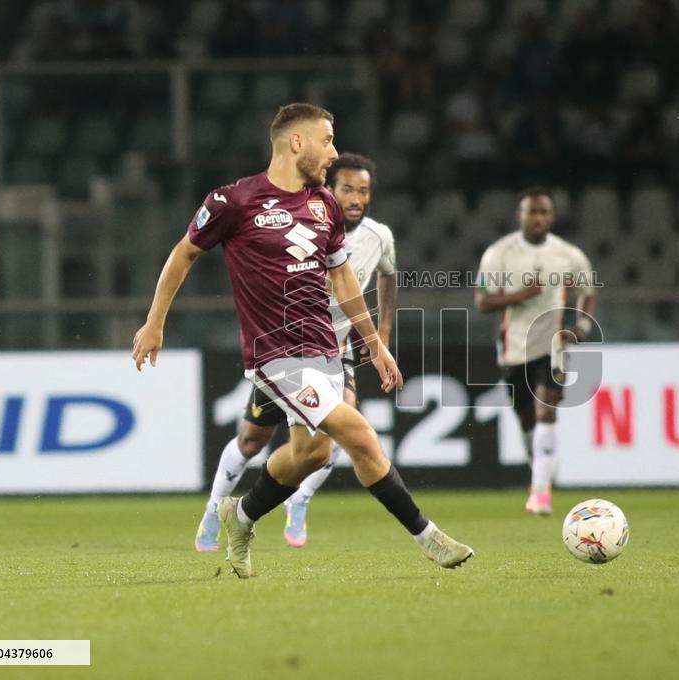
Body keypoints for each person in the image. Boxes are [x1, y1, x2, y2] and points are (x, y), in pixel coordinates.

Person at [133, 103, 472, 577]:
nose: (333, 153)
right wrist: (155, 322)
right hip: (275, 356)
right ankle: (428, 536)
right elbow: (184, 253)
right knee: (359, 435)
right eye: (327, 140)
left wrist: (374, 342)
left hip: (326, 351)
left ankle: (241, 514)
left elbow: (344, 279)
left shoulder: (324, 204)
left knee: (312, 454)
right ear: (297, 143)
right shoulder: (235, 201)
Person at [193, 152, 398, 551]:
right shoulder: (303, 223)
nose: (355, 198)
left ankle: (300, 500)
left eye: (364, 191)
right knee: (251, 441)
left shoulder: (379, 237)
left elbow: (388, 276)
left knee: (340, 433)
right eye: (347, 189)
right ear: (329, 188)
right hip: (287, 354)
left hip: (336, 353)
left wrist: (383, 330)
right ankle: (213, 509)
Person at [474, 188, 597, 515]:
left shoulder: (568, 255)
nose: (538, 218)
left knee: (547, 411)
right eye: (532, 212)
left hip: (552, 347)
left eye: (544, 213)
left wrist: (581, 327)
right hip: (514, 350)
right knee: (527, 419)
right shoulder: (499, 254)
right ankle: (539, 467)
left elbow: (588, 291)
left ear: (551, 217)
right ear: (521, 216)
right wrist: (521, 294)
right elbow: (483, 301)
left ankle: (540, 493)